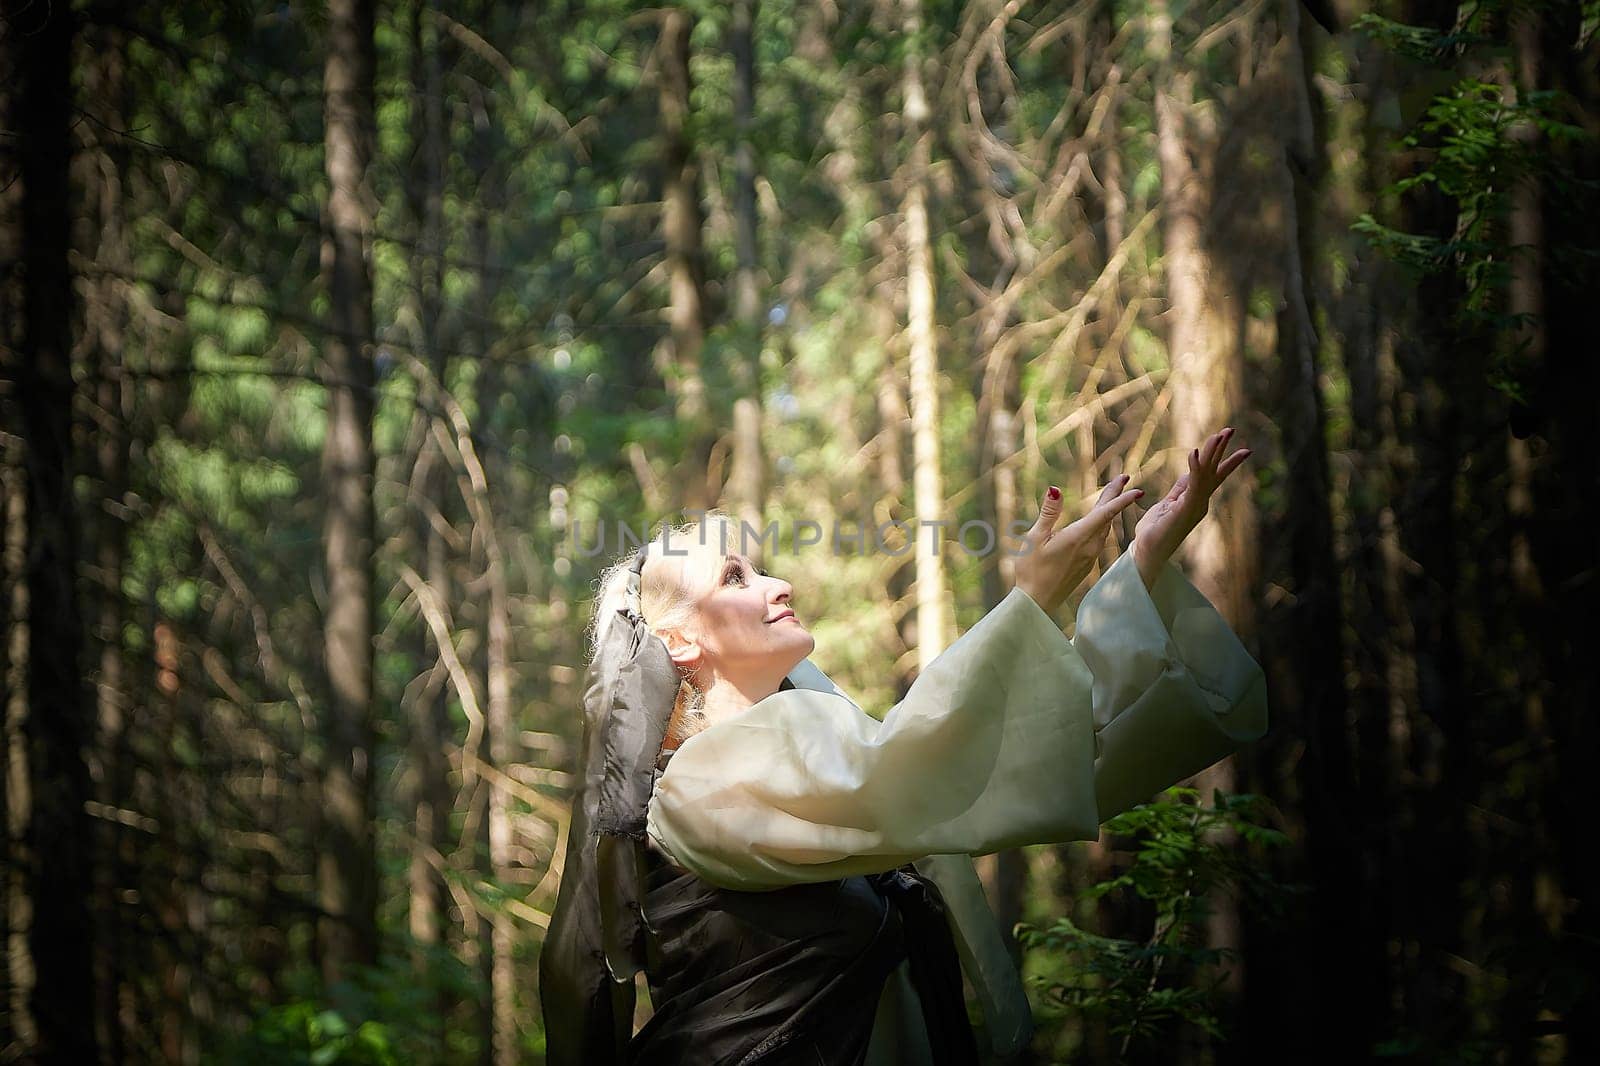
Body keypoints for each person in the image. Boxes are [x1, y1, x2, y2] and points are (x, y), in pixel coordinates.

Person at [541, 428, 1267, 1065]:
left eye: (758, 566)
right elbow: (907, 769)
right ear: (679, 642)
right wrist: (1030, 601)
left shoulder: (811, 756)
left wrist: (1134, 569)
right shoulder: (697, 787)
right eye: (735, 577)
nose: (779, 582)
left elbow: (1018, 752)